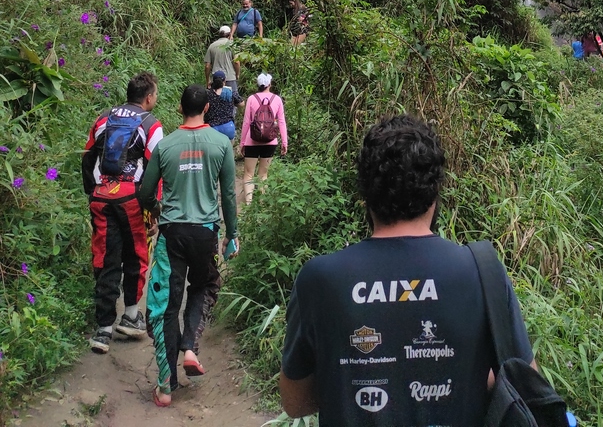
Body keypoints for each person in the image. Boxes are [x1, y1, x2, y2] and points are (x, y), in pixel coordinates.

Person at [279, 114, 535, 426]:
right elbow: (523, 385)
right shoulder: (483, 272)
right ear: (435, 194)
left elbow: (294, 402)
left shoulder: (320, 280)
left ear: (365, 195)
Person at [139, 84, 239, 407]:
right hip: (206, 232)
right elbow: (228, 195)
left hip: (172, 234)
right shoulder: (222, 144)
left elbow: (144, 193)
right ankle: (191, 347)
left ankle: (166, 387)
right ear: (207, 109)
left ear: (180, 109)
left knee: (168, 305)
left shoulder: (165, 146)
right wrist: (231, 234)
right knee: (206, 284)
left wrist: (156, 212)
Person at [82, 72, 163, 353]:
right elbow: (155, 171)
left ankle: (103, 330)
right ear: (149, 97)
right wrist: (154, 211)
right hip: (132, 199)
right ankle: (130, 315)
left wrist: (91, 192)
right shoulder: (151, 125)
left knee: (105, 258)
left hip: (101, 198)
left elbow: (88, 155)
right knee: (137, 254)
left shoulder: (103, 118)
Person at [240, 72, 287, 204]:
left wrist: (242, 142)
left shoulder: (251, 98)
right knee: (263, 175)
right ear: (269, 84)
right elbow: (282, 122)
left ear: (258, 84)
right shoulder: (277, 99)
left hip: (251, 140)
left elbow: (246, 122)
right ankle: (262, 204)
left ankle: (249, 205)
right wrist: (284, 142)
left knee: (249, 173)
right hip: (270, 141)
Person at [204, 24, 241, 95]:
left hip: (216, 79)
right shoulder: (232, 45)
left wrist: (208, 80)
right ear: (229, 34)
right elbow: (236, 62)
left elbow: (207, 66)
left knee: (216, 98)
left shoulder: (212, 46)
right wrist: (237, 74)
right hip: (230, 77)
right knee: (233, 99)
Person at [206, 70, 240, 141]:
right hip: (228, 127)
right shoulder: (229, 93)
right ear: (224, 81)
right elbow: (241, 104)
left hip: (212, 128)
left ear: (213, 81)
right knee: (229, 150)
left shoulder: (208, 94)